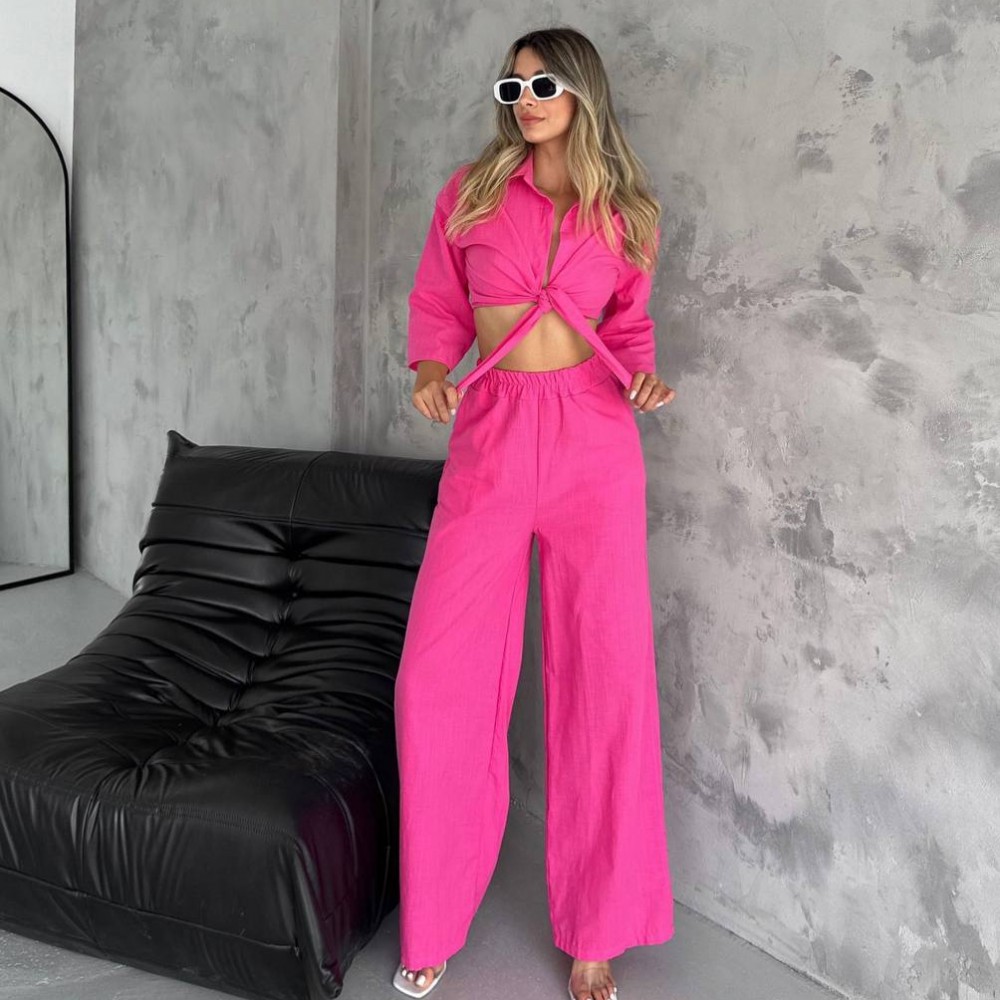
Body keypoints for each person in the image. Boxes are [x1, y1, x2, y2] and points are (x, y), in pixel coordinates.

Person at [393, 25, 677, 1000]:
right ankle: (432, 919)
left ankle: (598, 929)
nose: (525, 100)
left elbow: (628, 325)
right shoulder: (470, 194)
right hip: (494, 433)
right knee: (437, 681)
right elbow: (438, 304)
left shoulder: (626, 213)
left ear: (581, 91)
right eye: (511, 87)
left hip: (596, 443)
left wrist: (641, 377)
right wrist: (431, 369)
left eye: (542, 83)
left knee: (606, 683)